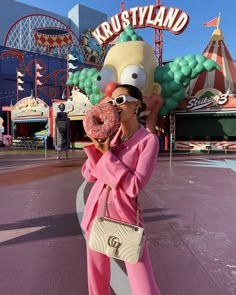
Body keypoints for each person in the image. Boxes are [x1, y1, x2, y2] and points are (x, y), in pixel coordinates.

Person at [81, 84, 161, 295]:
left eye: (121, 100)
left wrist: (106, 156)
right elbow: (89, 175)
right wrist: (98, 147)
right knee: (96, 282)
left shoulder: (147, 141)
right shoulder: (111, 138)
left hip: (126, 218)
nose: (115, 106)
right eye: (111, 102)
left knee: (143, 285)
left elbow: (134, 186)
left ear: (136, 105)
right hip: (96, 215)